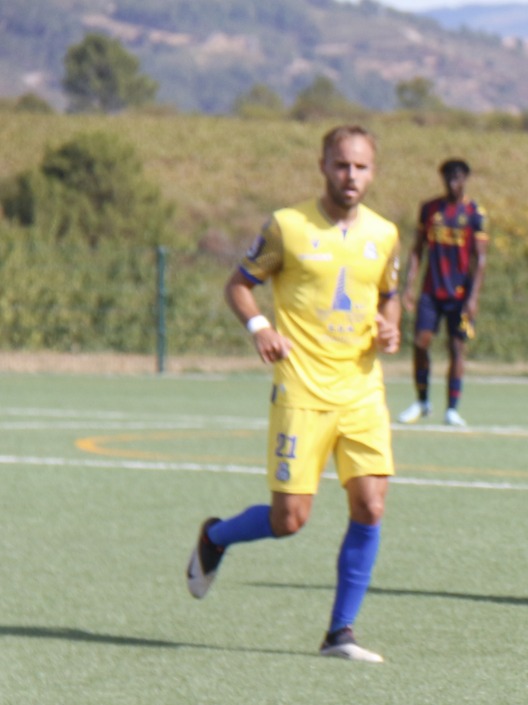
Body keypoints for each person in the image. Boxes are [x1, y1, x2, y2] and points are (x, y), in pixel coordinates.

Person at [185, 125, 401, 663]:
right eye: (341, 165)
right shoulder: (288, 226)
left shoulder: (386, 233)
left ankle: (340, 634)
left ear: (374, 171)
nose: (351, 176)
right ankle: (216, 537)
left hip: (362, 392)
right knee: (290, 521)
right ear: (323, 165)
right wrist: (260, 326)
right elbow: (239, 284)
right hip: (302, 391)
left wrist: (389, 326)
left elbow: (389, 295)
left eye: (361, 167)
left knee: (371, 506)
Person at [398, 157, 487, 428]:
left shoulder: (474, 214)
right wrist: (409, 285)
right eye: (448, 177)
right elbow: (417, 250)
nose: (452, 182)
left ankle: (452, 409)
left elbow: (479, 259)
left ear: (465, 180)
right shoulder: (430, 210)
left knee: (456, 348)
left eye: (457, 177)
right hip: (431, 291)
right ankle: (422, 401)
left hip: (459, 294)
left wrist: (473, 298)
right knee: (421, 342)